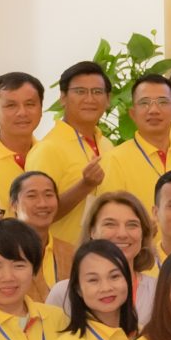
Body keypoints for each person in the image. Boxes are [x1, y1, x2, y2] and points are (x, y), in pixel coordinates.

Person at [31, 61, 114, 245]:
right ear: (63, 97)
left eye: (97, 92)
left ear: (108, 99)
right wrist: (85, 185)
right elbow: (36, 214)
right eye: (80, 91)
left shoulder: (107, 145)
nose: (90, 99)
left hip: (105, 251)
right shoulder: (48, 148)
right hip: (63, 255)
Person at [101, 73, 171, 214]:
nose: (154, 110)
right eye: (144, 103)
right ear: (133, 114)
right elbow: (109, 216)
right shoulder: (114, 160)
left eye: (162, 102)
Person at [55, 189, 154, 318]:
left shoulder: (159, 292)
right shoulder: (63, 294)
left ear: (143, 233)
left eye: (132, 225)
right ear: (92, 231)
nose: (122, 234)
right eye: (110, 224)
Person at [4, 167, 67, 304]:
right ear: (13, 205)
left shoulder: (71, 253)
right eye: (32, 196)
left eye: (48, 195)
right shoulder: (2, 253)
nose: (42, 203)